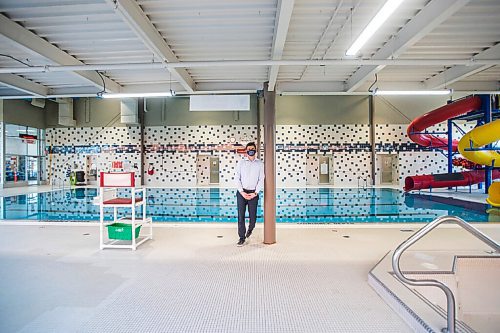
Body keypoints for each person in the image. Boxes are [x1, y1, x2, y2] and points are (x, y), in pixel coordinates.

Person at [234, 142, 264, 246]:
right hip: (241, 193)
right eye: (249, 149)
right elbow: (237, 178)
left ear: (255, 150)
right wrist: (241, 192)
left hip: (253, 194)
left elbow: (261, 179)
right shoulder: (241, 163)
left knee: (253, 218)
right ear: (246, 151)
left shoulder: (260, 164)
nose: (250, 150)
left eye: (252, 148)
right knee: (241, 216)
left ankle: (250, 230)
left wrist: (255, 193)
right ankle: (241, 237)